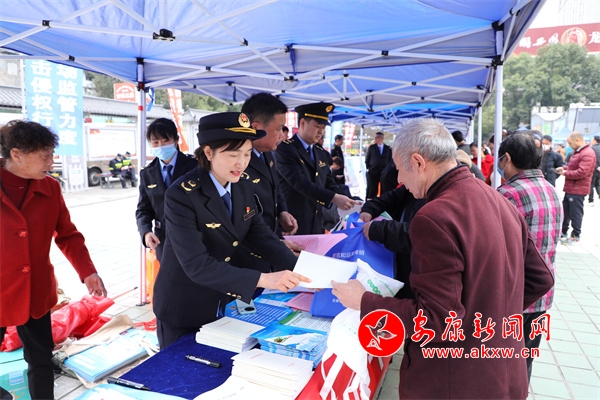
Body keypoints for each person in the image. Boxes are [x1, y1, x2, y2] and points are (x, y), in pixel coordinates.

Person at [331, 117, 553, 399]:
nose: (399, 180)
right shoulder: (498, 199)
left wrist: (364, 301)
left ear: (418, 162)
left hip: (455, 381)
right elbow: (541, 278)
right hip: (505, 368)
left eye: (400, 170)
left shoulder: (434, 216)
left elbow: (435, 319)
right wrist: (489, 311)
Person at [153, 112, 309, 349]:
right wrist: (264, 279)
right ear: (208, 153)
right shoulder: (181, 195)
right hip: (184, 306)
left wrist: (303, 272)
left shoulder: (242, 184)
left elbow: (260, 234)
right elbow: (196, 264)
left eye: (247, 154)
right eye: (233, 155)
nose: (241, 163)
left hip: (224, 300)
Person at [0, 120, 107, 400]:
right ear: (17, 154)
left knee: (41, 359)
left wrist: (88, 272)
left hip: (35, 292)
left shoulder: (50, 188)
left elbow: (68, 235)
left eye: (52, 153)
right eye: (45, 155)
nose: (51, 161)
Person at [497, 132, 563, 382]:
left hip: (514, 297)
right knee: (524, 359)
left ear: (507, 158)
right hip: (542, 295)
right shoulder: (550, 190)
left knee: (501, 363)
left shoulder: (507, 194)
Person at [276, 102, 360, 235]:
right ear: (302, 123)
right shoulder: (285, 150)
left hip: (316, 223)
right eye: (317, 126)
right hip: (292, 223)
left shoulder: (321, 153)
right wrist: (334, 198)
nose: (321, 132)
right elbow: (300, 183)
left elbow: (328, 183)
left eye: (323, 127)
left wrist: (350, 200)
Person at [240, 92, 302, 270]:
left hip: (272, 246)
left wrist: (282, 211)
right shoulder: (238, 162)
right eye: (279, 129)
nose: (282, 135)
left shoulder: (267, 154)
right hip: (249, 256)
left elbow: (276, 188)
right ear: (256, 127)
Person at [135, 118, 198, 261]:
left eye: (165, 141)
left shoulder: (194, 167)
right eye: (155, 142)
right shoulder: (147, 173)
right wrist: (146, 232)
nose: (160, 146)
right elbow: (143, 209)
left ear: (176, 140)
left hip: (193, 238)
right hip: (162, 241)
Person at [360, 185, 426, 299]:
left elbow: (424, 235)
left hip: (421, 282)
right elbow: (390, 197)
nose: (399, 180)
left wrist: (382, 230)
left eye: (401, 173)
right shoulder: (414, 187)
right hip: (401, 268)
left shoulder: (444, 196)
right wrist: (370, 209)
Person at [555, 131, 597, 243]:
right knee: (566, 211)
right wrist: (564, 168)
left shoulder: (587, 153)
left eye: (570, 143)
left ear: (577, 140)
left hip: (578, 190)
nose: (569, 145)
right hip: (571, 188)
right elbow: (574, 167)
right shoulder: (579, 152)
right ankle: (563, 232)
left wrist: (565, 173)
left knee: (575, 213)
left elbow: (582, 172)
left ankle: (575, 235)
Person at [365, 131, 392, 199]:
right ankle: (372, 201)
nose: (376, 139)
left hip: (384, 171)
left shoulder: (388, 148)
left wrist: (388, 169)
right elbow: (367, 159)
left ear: (382, 138)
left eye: (377, 137)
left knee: (384, 188)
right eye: (375, 137)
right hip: (373, 171)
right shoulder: (372, 147)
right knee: (372, 188)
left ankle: (383, 201)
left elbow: (390, 160)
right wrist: (369, 167)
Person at [587, 135, 600, 206]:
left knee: (591, 185)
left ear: (595, 141)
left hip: (594, 169)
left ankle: (591, 201)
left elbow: (591, 160)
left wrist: (597, 167)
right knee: (597, 183)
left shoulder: (591, 149)